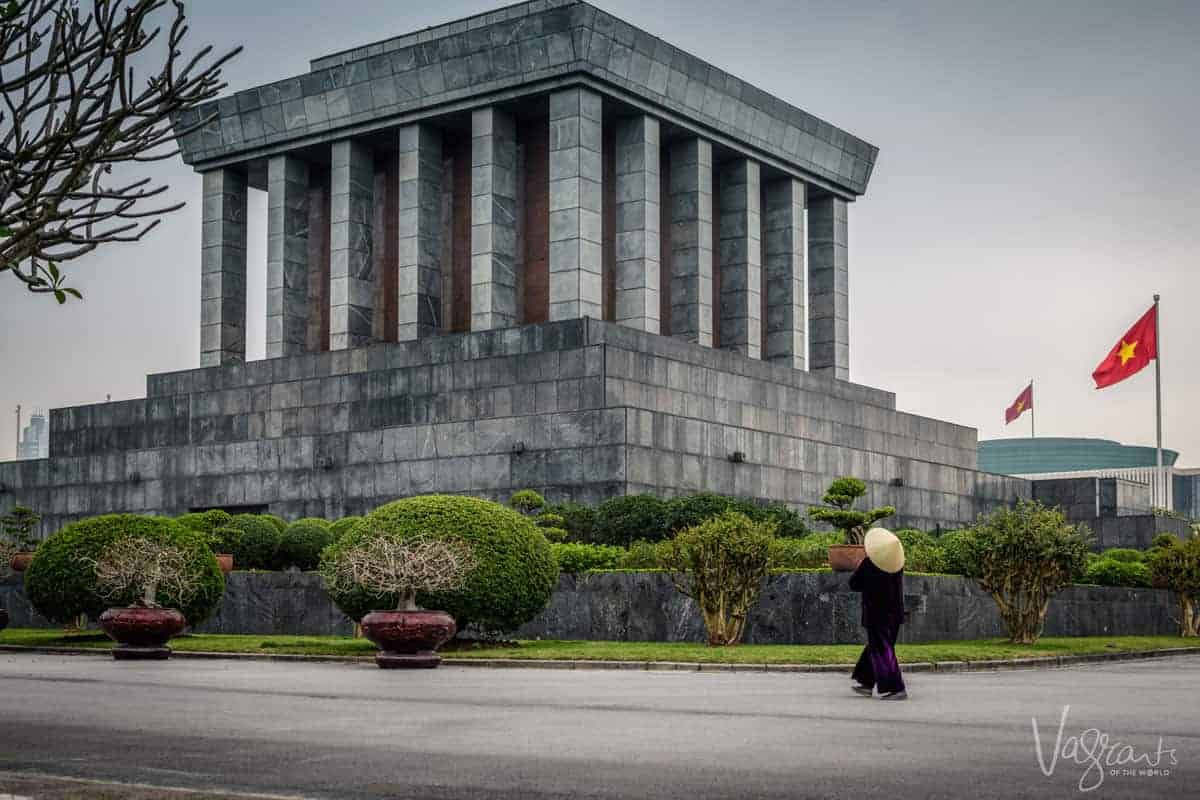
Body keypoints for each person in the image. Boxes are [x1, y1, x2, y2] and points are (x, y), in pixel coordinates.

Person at [848, 527, 907, 700]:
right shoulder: (896, 566)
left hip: (877, 613)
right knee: (877, 647)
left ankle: (896, 688)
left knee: (882, 650)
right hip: (894, 614)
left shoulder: (869, 564)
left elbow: (854, 584)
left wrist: (858, 567)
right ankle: (866, 681)